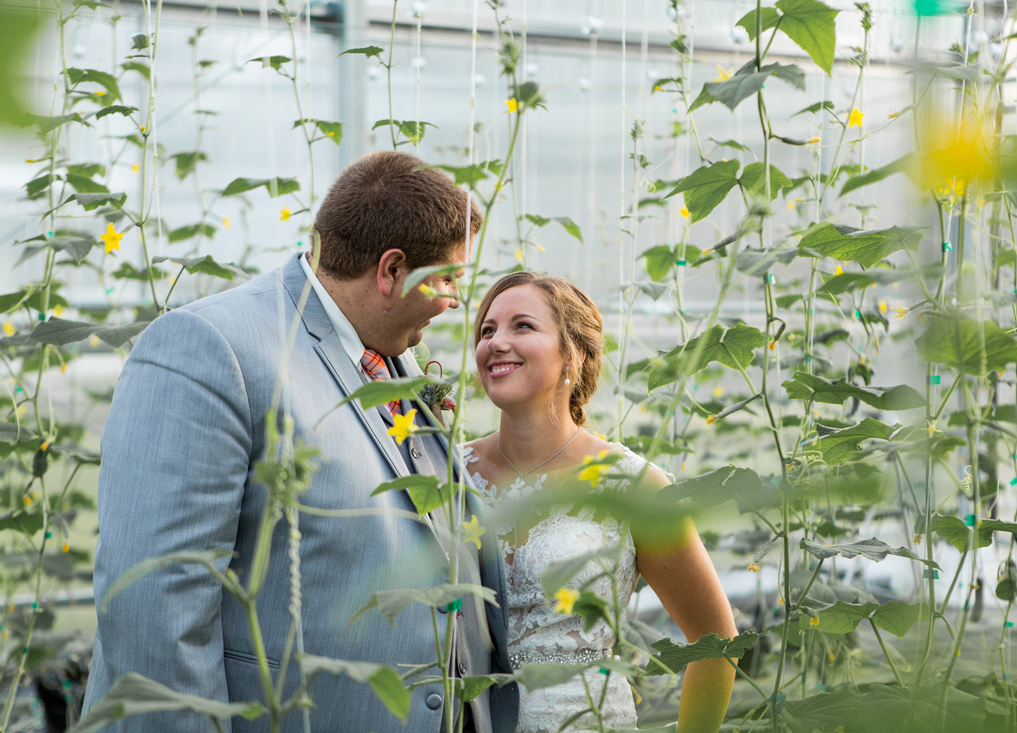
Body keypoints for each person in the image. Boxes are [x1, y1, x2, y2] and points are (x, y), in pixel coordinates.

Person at [83, 151, 518, 732]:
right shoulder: (211, 347)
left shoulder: (388, 355)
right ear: (391, 271)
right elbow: (155, 609)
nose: (455, 300)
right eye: (448, 278)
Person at [462, 272, 737, 733]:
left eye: (522, 326)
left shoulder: (634, 486)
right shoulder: (448, 473)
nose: (496, 342)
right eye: (487, 331)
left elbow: (716, 641)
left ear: (576, 353)